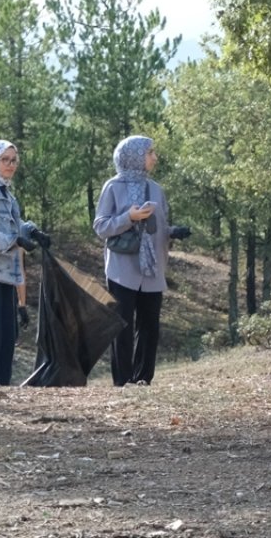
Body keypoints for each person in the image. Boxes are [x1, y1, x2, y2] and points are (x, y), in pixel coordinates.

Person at [93, 136, 191, 387]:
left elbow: (160, 226)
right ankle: (122, 381)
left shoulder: (156, 189)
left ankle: (143, 379)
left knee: (150, 327)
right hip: (122, 269)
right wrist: (129, 216)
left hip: (152, 268)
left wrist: (172, 232)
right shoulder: (113, 187)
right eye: (150, 153)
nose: (154, 157)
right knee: (122, 326)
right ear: (134, 156)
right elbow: (101, 227)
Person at [0, 141, 47, 385]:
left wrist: (31, 231)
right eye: (5, 159)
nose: (11, 165)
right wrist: (15, 239)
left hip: (7, 276)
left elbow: (14, 227)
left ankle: (1, 395)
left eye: (14, 160)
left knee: (8, 338)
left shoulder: (9, 196)